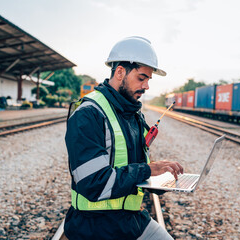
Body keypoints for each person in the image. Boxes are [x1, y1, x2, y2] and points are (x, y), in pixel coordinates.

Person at [64, 36, 184, 240]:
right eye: (141, 78)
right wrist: (148, 169)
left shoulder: (133, 114)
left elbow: (133, 170)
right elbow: (93, 184)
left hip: (130, 220)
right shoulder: (88, 114)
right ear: (120, 72)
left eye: (148, 80)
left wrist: (160, 179)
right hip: (95, 227)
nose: (146, 86)